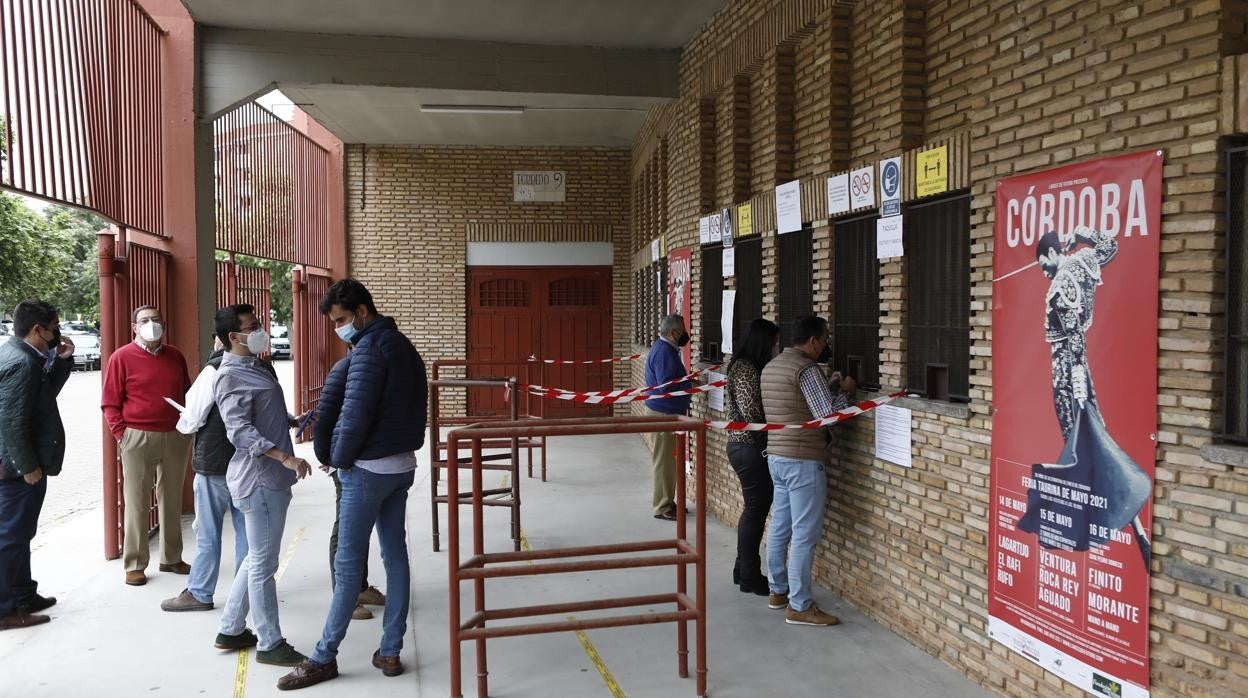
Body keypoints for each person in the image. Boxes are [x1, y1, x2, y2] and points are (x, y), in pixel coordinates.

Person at [279, 279, 426, 690]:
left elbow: (353, 416)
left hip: (367, 471)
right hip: (402, 468)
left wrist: (336, 461)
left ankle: (324, 657)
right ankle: (391, 649)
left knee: (347, 569)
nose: (339, 328)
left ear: (362, 312)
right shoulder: (405, 347)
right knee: (396, 557)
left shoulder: (367, 353)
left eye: (342, 320)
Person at [212, 304, 311, 666]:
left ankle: (232, 628)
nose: (260, 330)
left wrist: (290, 420)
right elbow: (239, 430)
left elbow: (261, 412)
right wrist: (286, 457)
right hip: (260, 481)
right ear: (233, 337)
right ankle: (269, 642)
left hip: (267, 478)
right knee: (264, 566)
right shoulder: (229, 375)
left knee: (257, 557)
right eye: (252, 327)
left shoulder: (254, 366)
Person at [161, 336, 269, 612]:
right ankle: (244, 591)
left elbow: (193, 418)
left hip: (216, 464)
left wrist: (186, 422)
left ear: (223, 339)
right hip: (250, 465)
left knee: (209, 532)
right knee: (249, 533)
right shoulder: (264, 369)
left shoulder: (214, 371)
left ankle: (200, 591)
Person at [760, 315, 855, 627]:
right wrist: (846, 393)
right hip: (803, 459)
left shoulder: (773, 366)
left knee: (780, 526)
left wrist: (827, 386)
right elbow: (826, 415)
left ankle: (778, 591)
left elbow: (794, 405)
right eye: (825, 339)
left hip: (777, 455)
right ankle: (800, 605)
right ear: (814, 341)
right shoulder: (806, 369)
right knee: (804, 533)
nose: (827, 345)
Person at [100, 305, 192, 586]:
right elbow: (110, 402)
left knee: (172, 497)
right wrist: (122, 434)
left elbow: (185, 391)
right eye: (144, 320)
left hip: (174, 434)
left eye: (155, 320)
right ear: (134, 327)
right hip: (137, 436)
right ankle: (135, 563)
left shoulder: (175, 355)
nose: (151, 324)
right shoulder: (121, 357)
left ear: (163, 324)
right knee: (137, 501)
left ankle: (171, 557)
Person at [0, 300, 73, 630]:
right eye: (54, 327)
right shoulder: (23, 363)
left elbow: (42, 397)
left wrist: (61, 361)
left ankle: (24, 593)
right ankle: (5, 609)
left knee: (20, 532)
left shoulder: (24, 355)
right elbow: (11, 421)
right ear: (37, 329)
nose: (56, 332)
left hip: (16, 465)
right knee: (12, 536)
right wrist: (27, 465)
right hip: (16, 469)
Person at [322, 356, 386, 621]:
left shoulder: (372, 366)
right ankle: (344, 596)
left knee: (362, 526)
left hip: (368, 461)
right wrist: (333, 458)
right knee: (346, 528)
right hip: (348, 461)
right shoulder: (348, 368)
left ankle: (359, 587)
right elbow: (331, 416)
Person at [724, 318, 780, 596]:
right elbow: (751, 415)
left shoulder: (743, 365)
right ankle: (749, 575)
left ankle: (741, 569)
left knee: (754, 509)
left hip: (743, 447)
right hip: (748, 447)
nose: (775, 349)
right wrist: (766, 446)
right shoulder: (746, 368)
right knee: (756, 510)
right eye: (772, 343)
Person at [644, 314, 692, 521]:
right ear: (674, 333)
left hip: (667, 412)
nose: (685, 334)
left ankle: (667, 500)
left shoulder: (666, 349)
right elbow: (667, 385)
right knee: (664, 461)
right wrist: (690, 385)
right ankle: (662, 506)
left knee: (670, 461)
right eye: (682, 330)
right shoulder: (664, 352)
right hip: (663, 412)